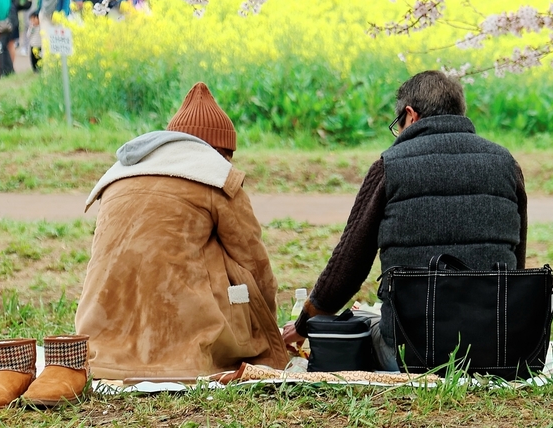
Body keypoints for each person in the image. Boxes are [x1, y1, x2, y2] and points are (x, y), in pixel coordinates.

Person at [288, 71, 528, 372]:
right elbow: (514, 268)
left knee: (361, 328)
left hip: (411, 354)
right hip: (495, 350)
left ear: (410, 116)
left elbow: (348, 267)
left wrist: (303, 325)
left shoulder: (390, 166)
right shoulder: (506, 164)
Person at [75, 83, 288, 381]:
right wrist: (269, 333)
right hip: (185, 347)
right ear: (222, 150)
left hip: (96, 340)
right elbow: (254, 264)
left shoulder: (120, 174)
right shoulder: (217, 176)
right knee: (232, 267)